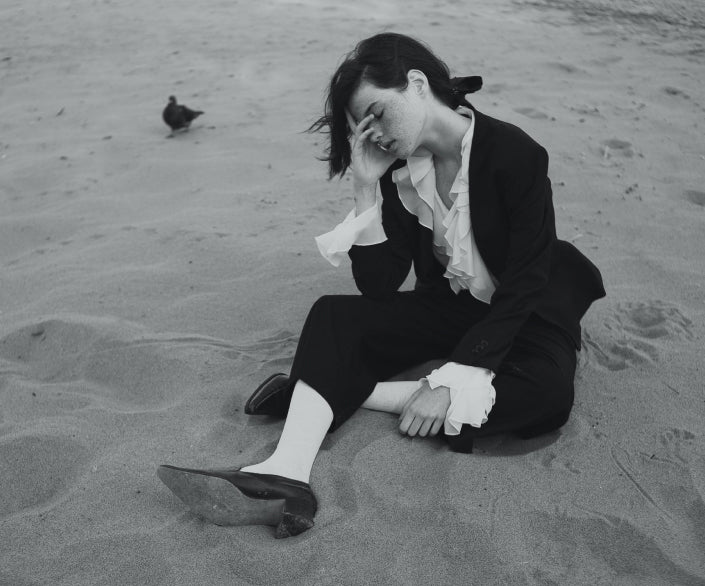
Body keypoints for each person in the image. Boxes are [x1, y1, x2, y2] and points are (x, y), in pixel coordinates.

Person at [157, 32, 605, 539]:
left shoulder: (515, 153)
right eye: (362, 128)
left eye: (378, 113)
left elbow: (525, 283)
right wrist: (365, 187)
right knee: (334, 315)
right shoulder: (402, 172)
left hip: (530, 309)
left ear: (416, 84)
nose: (377, 135)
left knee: (548, 395)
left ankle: (330, 389)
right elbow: (379, 285)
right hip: (455, 304)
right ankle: (285, 474)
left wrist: (449, 381)